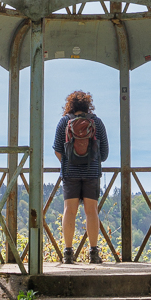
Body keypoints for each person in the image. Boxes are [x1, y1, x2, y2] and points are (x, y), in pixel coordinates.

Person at [53, 90, 109, 264]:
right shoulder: (97, 122)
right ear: (88, 105)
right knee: (91, 211)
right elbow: (105, 153)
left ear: (70, 105)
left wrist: (67, 162)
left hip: (70, 173)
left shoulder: (64, 122)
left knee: (69, 211)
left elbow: (57, 149)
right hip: (91, 172)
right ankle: (93, 253)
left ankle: (68, 254)